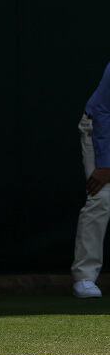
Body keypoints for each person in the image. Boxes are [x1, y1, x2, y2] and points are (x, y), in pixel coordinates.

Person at [71, 61, 110, 299]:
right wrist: (106, 164)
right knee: (103, 197)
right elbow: (102, 111)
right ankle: (84, 277)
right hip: (101, 129)